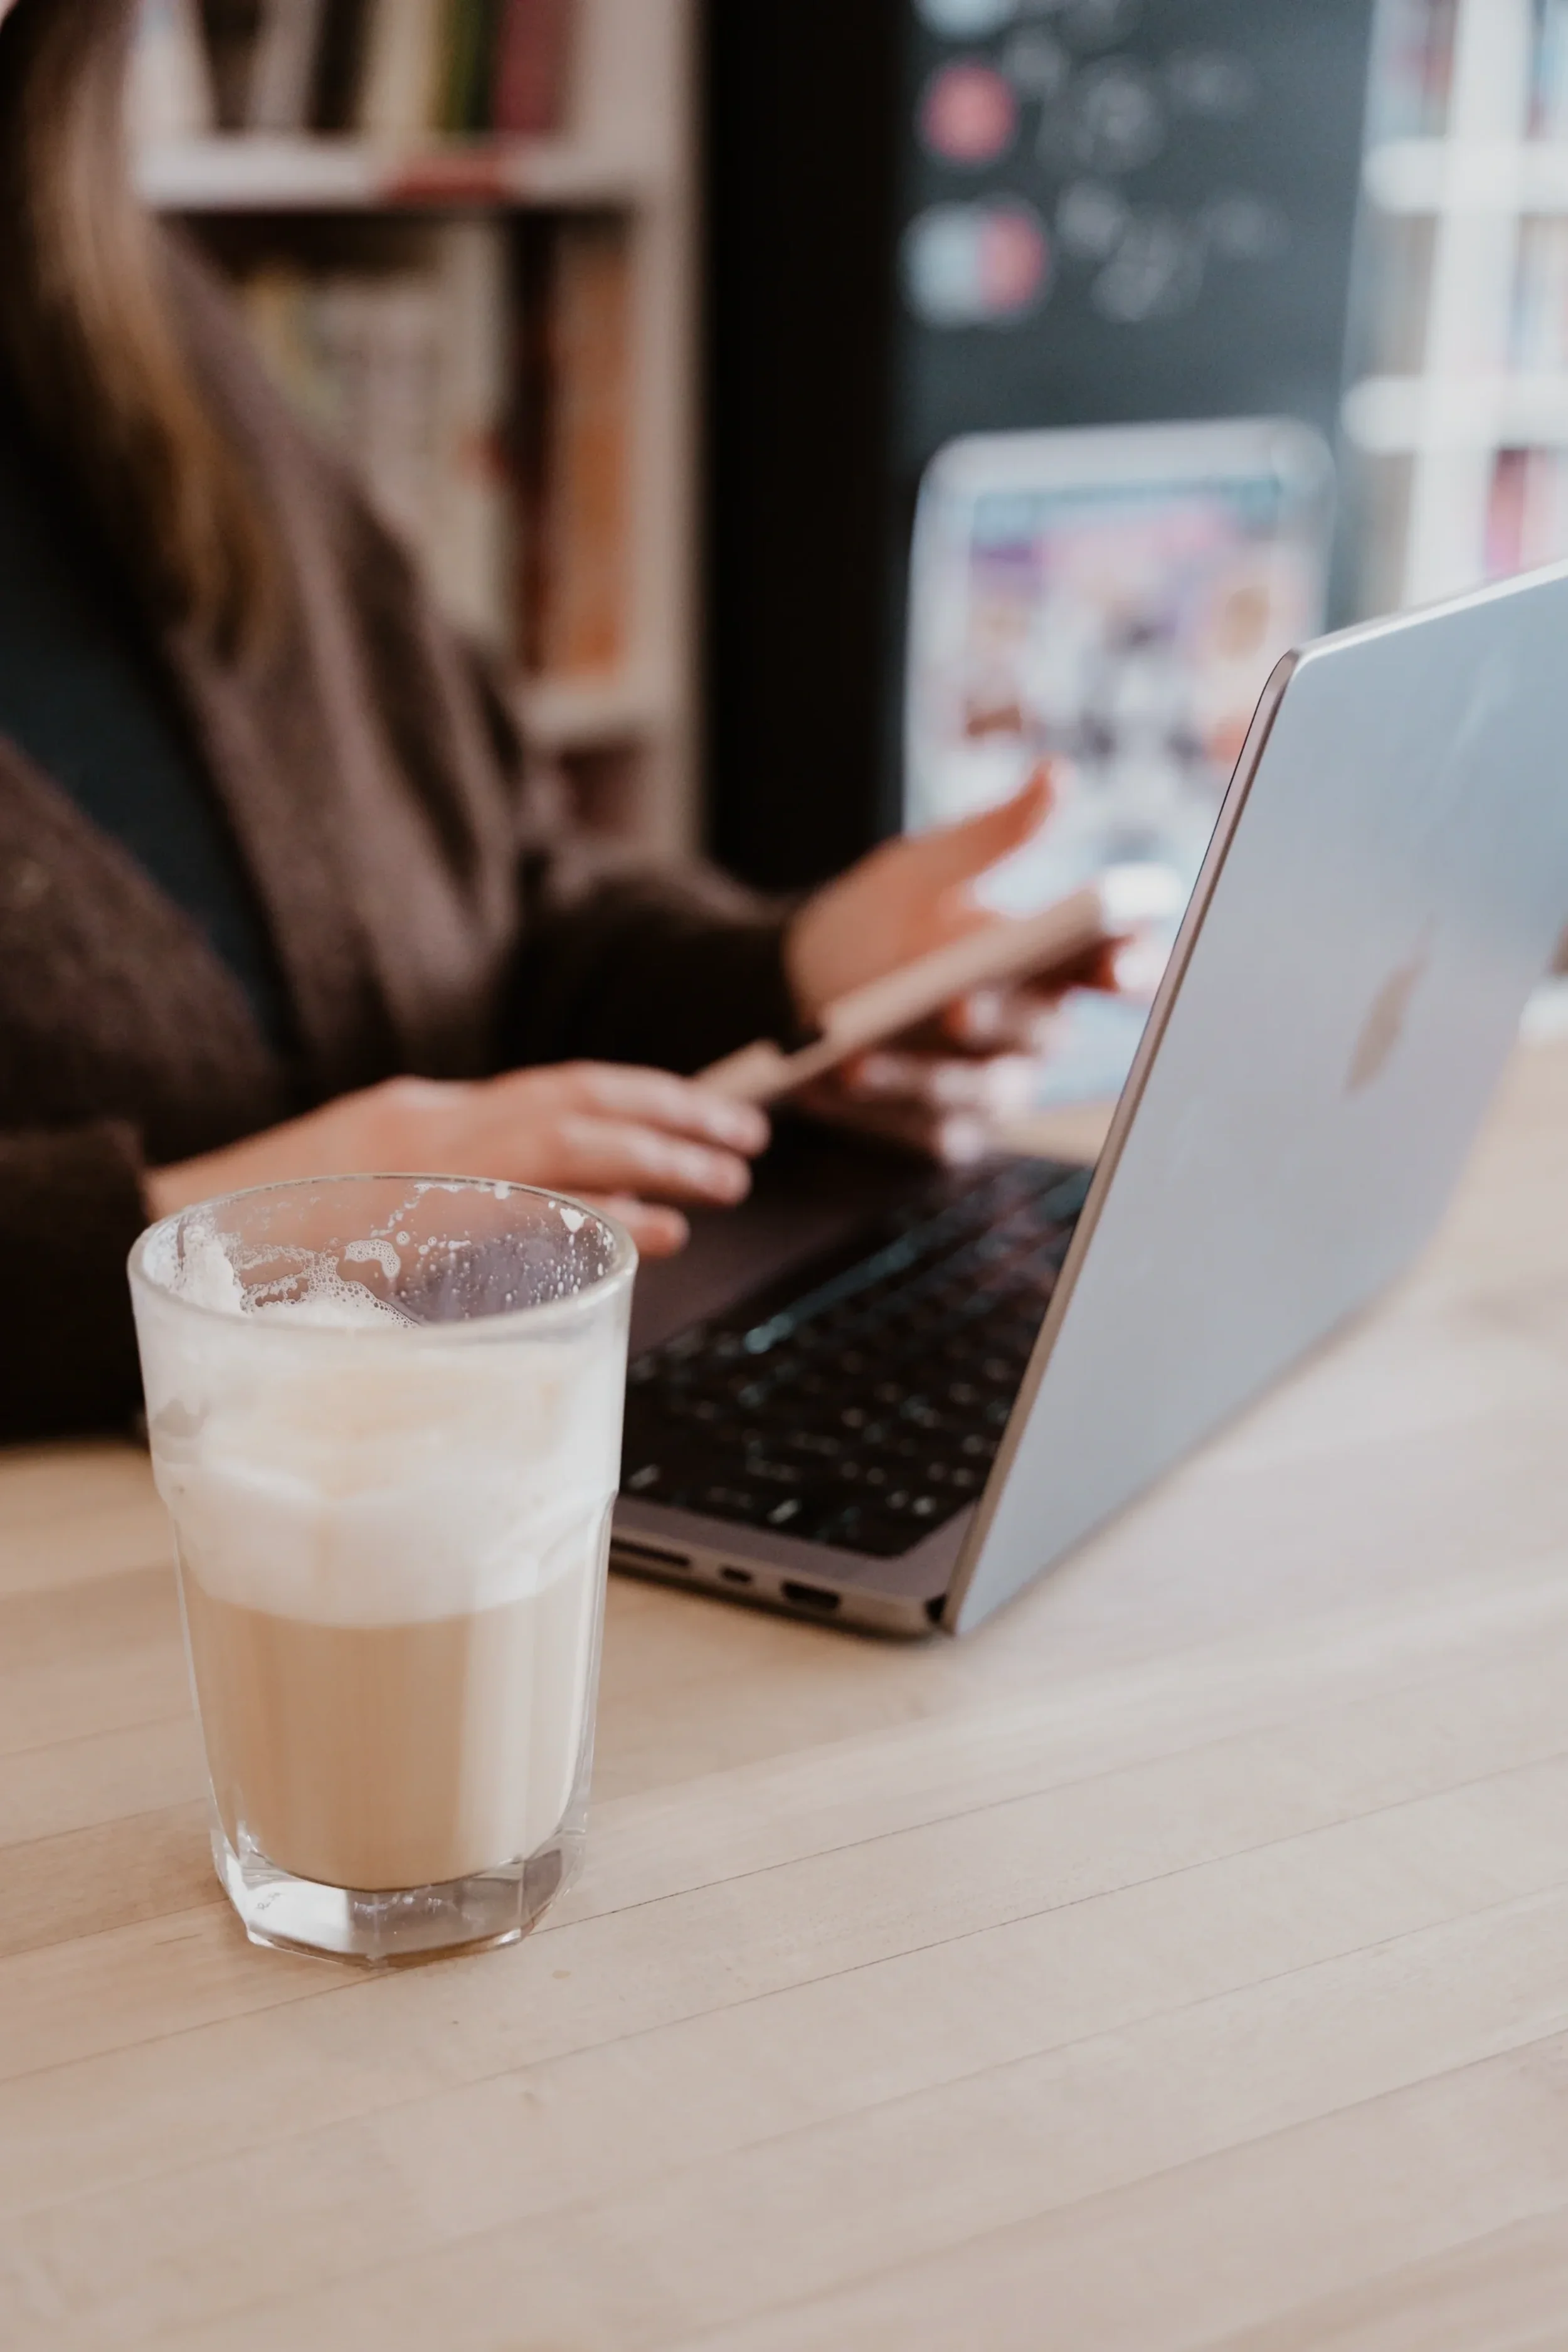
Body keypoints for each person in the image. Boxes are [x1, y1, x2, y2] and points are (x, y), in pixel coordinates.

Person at [0, 0, 1082, 1440]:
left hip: (439, 1496)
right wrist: (218, 1235)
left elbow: (499, 917)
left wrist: (803, 985)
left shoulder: (128, 312)